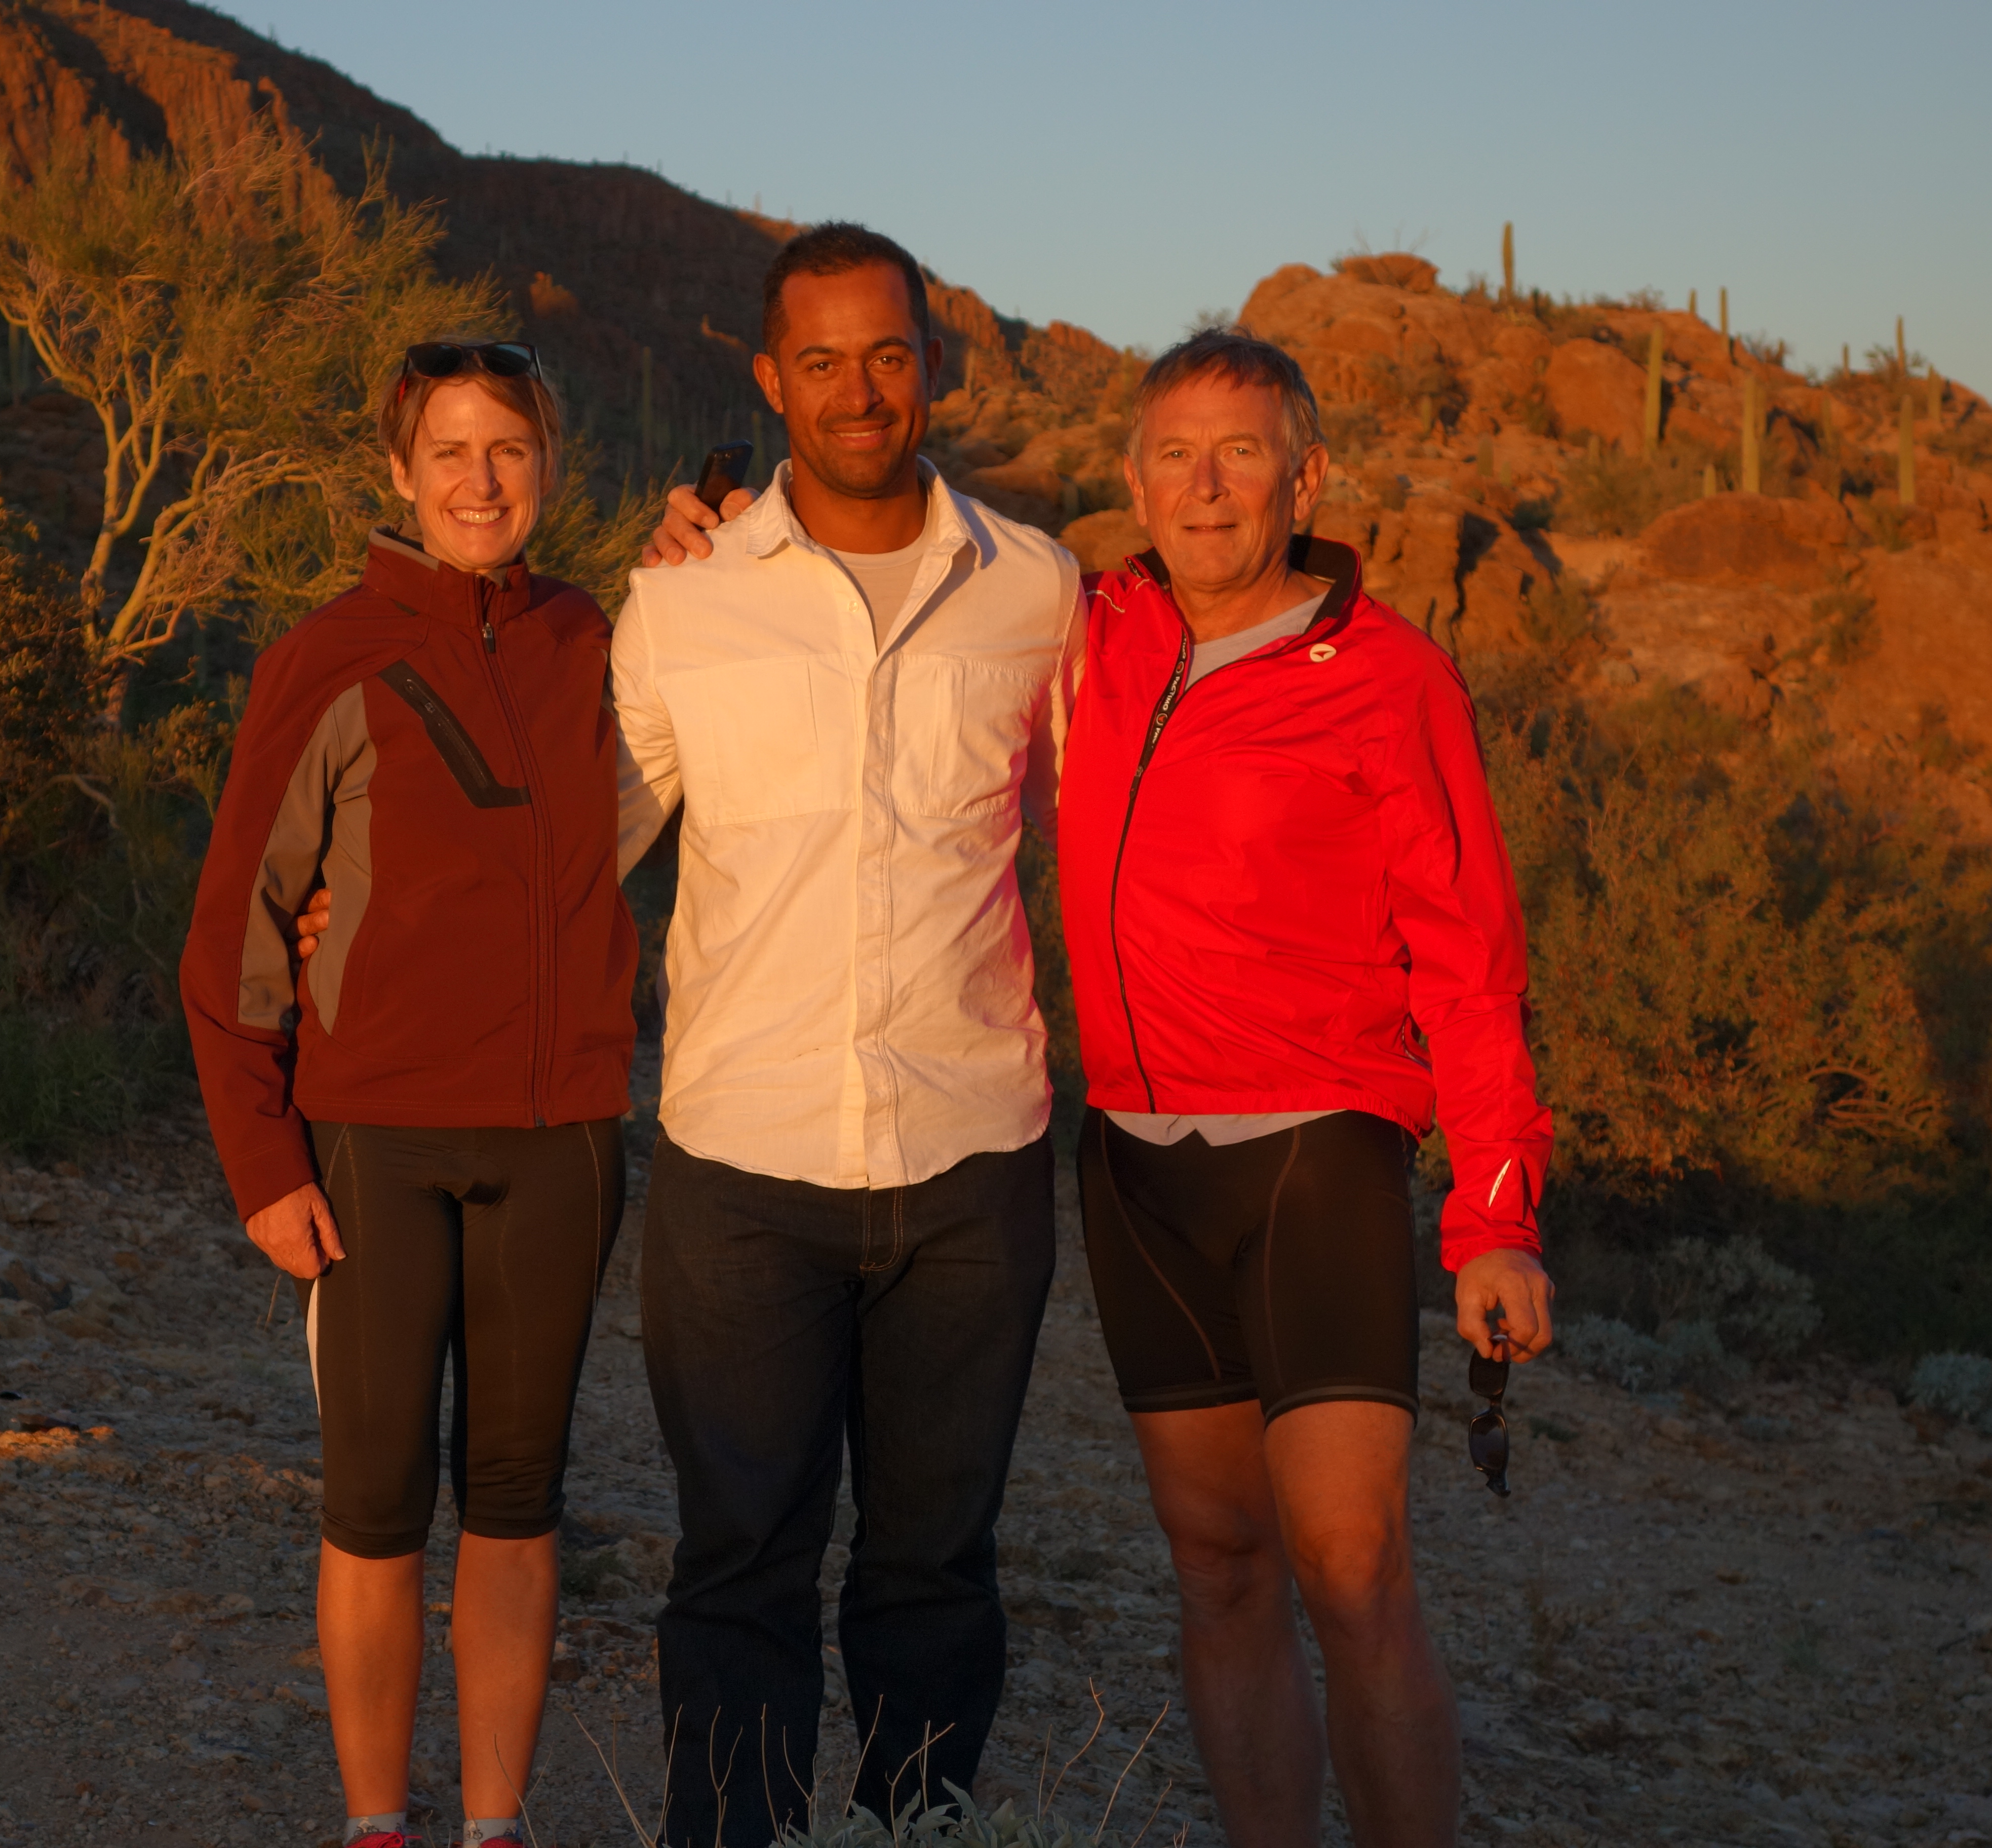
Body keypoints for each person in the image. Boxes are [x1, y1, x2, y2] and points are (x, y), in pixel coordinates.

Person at [652, 324, 1556, 1848]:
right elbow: (896, 579)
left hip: (1318, 1148)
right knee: (1219, 1565)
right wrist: (723, 541)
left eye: (1244, 454)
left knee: (1350, 1565)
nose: (1208, 487)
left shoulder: (1386, 676)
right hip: (1137, 1161)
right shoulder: (1089, 622)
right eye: (1177, 457)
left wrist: (1497, 1216)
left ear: (1305, 480)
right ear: (1135, 481)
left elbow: (1472, 959)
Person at [611, 223, 1080, 1846]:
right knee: (739, 1563)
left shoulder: (1037, 590)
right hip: (744, 1165)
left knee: (935, 1569)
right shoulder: (681, 601)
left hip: (971, 1159)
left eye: (888, 354)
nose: (858, 390)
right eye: (821, 361)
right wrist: (346, 907)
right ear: (770, 379)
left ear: (932, 365)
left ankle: (912, 1829)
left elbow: (1121, 829)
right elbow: (575, 844)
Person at [179, 337, 637, 1848]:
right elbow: (237, 931)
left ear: (548, 465)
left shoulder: (594, 641)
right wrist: (264, 1166)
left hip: (562, 1142)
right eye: (450, 451)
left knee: (517, 1502)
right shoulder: (334, 653)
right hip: (372, 1140)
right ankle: (378, 1825)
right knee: (376, 1505)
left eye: (509, 448)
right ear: (399, 471)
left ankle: (494, 1829)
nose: (480, 481)